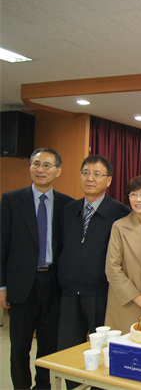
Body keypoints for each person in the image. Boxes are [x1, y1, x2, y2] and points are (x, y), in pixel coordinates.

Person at [0, 148, 73, 390]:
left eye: (47, 165)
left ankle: (43, 386)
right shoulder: (11, 200)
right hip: (21, 285)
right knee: (20, 347)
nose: (40, 170)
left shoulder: (66, 204)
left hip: (53, 284)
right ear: (30, 167)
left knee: (49, 345)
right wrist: (2, 286)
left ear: (58, 171)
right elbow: (2, 245)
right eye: (36, 164)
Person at [56, 155, 130, 352]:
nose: (90, 178)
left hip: (101, 295)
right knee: (68, 351)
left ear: (109, 180)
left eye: (97, 174)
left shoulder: (120, 213)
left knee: (103, 350)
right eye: (85, 173)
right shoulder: (69, 210)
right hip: (69, 294)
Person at [104, 175, 141, 334]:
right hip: (129, 302)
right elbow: (112, 269)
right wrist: (137, 297)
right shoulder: (119, 227)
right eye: (133, 194)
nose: (138, 199)